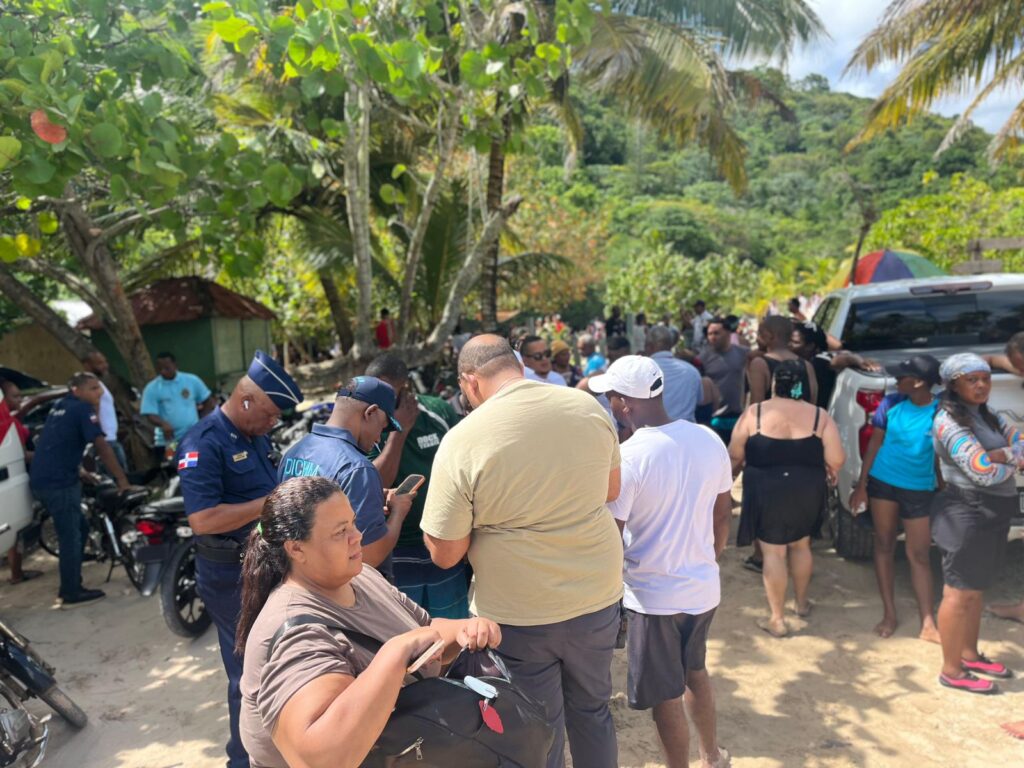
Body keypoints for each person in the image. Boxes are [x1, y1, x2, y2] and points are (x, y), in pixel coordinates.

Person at [420, 335, 624, 768]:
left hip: (519, 614)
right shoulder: (587, 407)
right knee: (593, 711)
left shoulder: (463, 439)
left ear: (470, 382)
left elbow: (444, 553)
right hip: (597, 597)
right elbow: (611, 490)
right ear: (517, 365)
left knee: (537, 724)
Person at [236, 476, 502, 768]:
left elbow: (424, 631)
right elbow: (320, 759)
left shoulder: (361, 576)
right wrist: (394, 654)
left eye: (352, 523)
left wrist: (466, 630)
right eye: (340, 532)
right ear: (296, 549)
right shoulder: (295, 633)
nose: (357, 536)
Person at [593, 356, 732, 768]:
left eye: (611, 397)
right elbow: (723, 513)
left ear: (623, 404)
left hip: (653, 597)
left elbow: (611, 536)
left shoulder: (629, 457)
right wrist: (708, 558)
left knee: (665, 695)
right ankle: (712, 756)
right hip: (702, 587)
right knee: (696, 672)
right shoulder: (708, 438)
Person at [177, 350, 304, 768]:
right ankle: (243, 757)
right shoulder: (202, 442)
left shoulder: (255, 435)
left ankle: (277, 743)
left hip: (264, 563)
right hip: (228, 572)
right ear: (246, 400)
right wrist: (268, 502)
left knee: (277, 658)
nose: (273, 424)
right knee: (246, 671)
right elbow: (203, 518)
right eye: (268, 414)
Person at [729, 360, 845, 638]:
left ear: (773, 383)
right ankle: (802, 603)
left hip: (765, 487)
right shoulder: (819, 416)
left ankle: (777, 619)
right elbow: (837, 459)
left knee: (773, 552)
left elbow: (735, 454)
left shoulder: (754, 413)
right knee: (801, 545)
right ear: (804, 384)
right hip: (807, 487)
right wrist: (830, 470)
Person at [930, 354, 1022, 695]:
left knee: (976, 587)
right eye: (972, 379)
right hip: (965, 510)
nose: (982, 385)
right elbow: (981, 471)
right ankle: (952, 669)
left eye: (985, 378)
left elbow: (1018, 441)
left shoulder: (988, 415)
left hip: (995, 509)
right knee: (958, 591)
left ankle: (969, 654)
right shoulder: (947, 420)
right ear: (954, 384)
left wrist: (1004, 456)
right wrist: (1010, 457)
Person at [364, 353, 468, 619]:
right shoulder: (368, 423)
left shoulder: (438, 412)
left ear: (406, 388)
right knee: (407, 630)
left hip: (444, 539)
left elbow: (466, 466)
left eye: (387, 392)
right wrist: (400, 432)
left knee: (452, 627)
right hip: (395, 546)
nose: (378, 402)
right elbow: (375, 483)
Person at [279, 377, 410, 582]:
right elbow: (370, 555)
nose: (378, 439)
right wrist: (399, 512)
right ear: (371, 412)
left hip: (302, 581)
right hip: (348, 593)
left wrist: (372, 496)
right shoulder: (357, 467)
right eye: (382, 428)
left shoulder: (294, 453)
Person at [849, 355, 942, 642]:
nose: (895, 380)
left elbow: (941, 456)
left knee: (919, 555)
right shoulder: (890, 404)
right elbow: (875, 444)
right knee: (884, 544)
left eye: (902, 376)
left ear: (918, 382)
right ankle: (889, 613)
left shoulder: (942, 411)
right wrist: (862, 485)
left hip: (919, 488)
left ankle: (928, 621)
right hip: (883, 483)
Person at [29, 372, 133, 607]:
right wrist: (122, 481)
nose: (99, 393)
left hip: (44, 478)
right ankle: (70, 591)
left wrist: (80, 471)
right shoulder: (82, 409)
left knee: (80, 528)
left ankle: (73, 572)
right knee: (70, 536)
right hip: (59, 483)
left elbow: (60, 442)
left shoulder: (61, 405)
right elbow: (102, 445)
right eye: (94, 388)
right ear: (77, 390)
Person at [0, 378, 39, 585]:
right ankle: (16, 573)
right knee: (18, 530)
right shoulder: (7, 424)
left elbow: (29, 406)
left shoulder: (10, 420)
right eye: (15, 396)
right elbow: (23, 454)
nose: (20, 399)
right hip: (17, 472)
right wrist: (45, 455)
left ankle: (17, 572)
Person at [790, 322, 879, 410]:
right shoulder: (801, 360)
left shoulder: (818, 361)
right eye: (789, 340)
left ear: (810, 346)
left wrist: (857, 360)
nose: (789, 345)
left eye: (795, 342)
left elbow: (842, 359)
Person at [141, 352, 216, 446]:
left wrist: (203, 421)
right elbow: (150, 414)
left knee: (193, 459)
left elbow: (208, 401)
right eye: (159, 369)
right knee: (173, 460)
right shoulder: (152, 388)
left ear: (175, 365)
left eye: (167, 368)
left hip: (193, 436)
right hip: (169, 440)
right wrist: (163, 423)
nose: (163, 371)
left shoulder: (192, 380)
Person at [747, 315, 816, 406]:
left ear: (770, 335)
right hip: (803, 419)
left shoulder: (760, 364)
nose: (757, 339)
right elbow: (812, 403)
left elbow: (756, 406)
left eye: (760, 334)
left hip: (771, 419)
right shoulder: (807, 366)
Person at [702, 318, 748, 444]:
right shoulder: (703, 358)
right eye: (710, 334)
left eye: (716, 333)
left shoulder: (743, 353)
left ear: (728, 333)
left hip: (737, 417)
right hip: (714, 419)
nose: (712, 337)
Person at [81, 351, 127, 473]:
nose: (105, 366)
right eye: (99, 363)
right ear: (87, 365)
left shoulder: (97, 383)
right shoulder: (90, 385)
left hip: (110, 438)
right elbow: (93, 410)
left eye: (105, 362)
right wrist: (99, 434)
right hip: (105, 441)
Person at [646, 325, 702, 422]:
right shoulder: (691, 371)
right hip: (687, 433)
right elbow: (699, 401)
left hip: (652, 432)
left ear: (649, 346)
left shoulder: (640, 372)